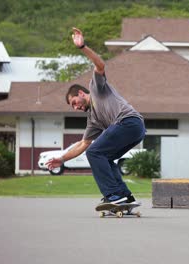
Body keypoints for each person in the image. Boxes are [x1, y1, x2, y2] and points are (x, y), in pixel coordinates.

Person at [46, 27, 145, 206]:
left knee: (95, 152)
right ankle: (124, 195)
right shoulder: (93, 119)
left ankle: (114, 195)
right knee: (104, 156)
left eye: (75, 102)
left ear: (82, 93)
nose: (75, 107)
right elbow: (83, 144)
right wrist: (61, 159)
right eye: (73, 107)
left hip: (129, 122)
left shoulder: (96, 87)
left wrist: (82, 46)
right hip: (136, 130)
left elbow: (100, 65)